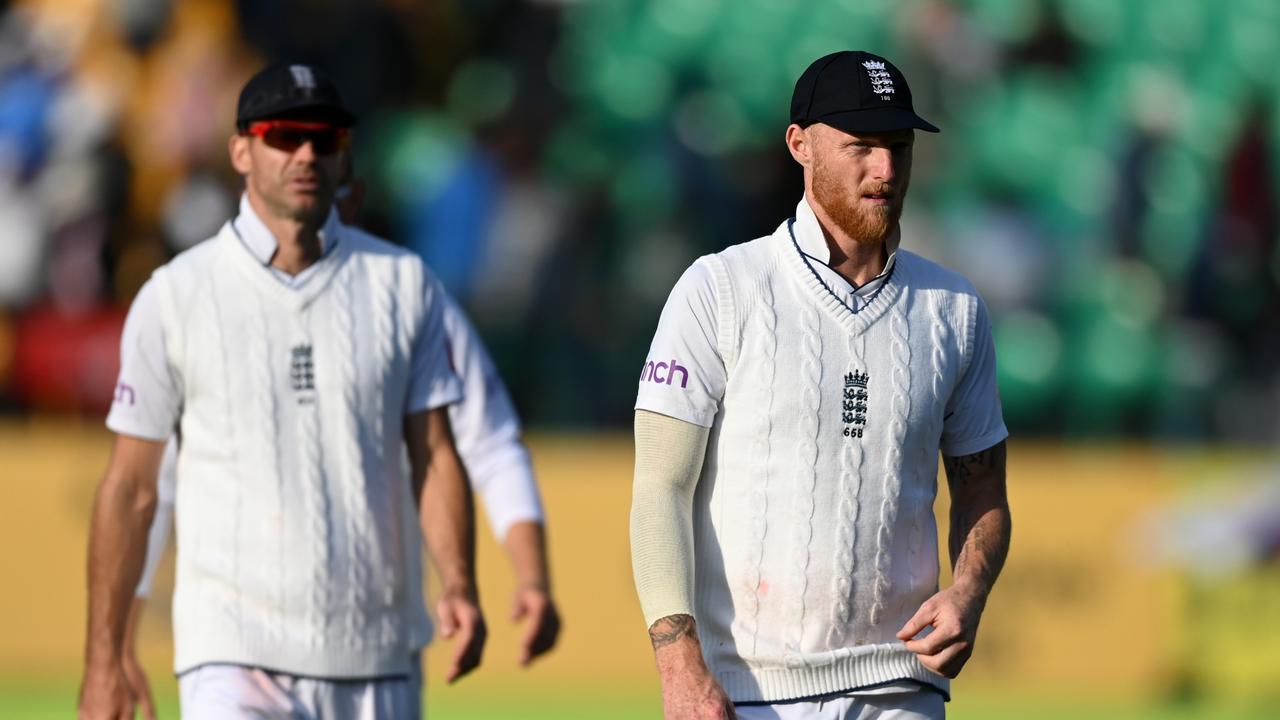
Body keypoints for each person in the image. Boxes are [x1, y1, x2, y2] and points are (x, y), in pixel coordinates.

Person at [80, 62, 488, 719]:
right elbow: (130, 488)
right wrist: (105, 658)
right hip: (231, 655)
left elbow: (435, 454)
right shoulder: (176, 295)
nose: (306, 154)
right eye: (285, 135)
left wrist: (460, 583)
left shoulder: (403, 285)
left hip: (376, 658)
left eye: (325, 140)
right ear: (241, 149)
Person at [629, 51, 1011, 720]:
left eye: (898, 146)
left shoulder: (954, 308)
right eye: (861, 146)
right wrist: (678, 661)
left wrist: (968, 593)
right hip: (749, 692)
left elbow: (982, 486)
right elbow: (660, 486)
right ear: (799, 145)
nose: (886, 170)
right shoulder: (721, 289)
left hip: (903, 685)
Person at [116, 155, 561, 720]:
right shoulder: (201, 294)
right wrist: (118, 639)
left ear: (352, 195)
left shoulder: (411, 300)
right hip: (235, 643)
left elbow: (490, 445)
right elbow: (154, 482)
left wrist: (529, 577)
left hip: (370, 644)